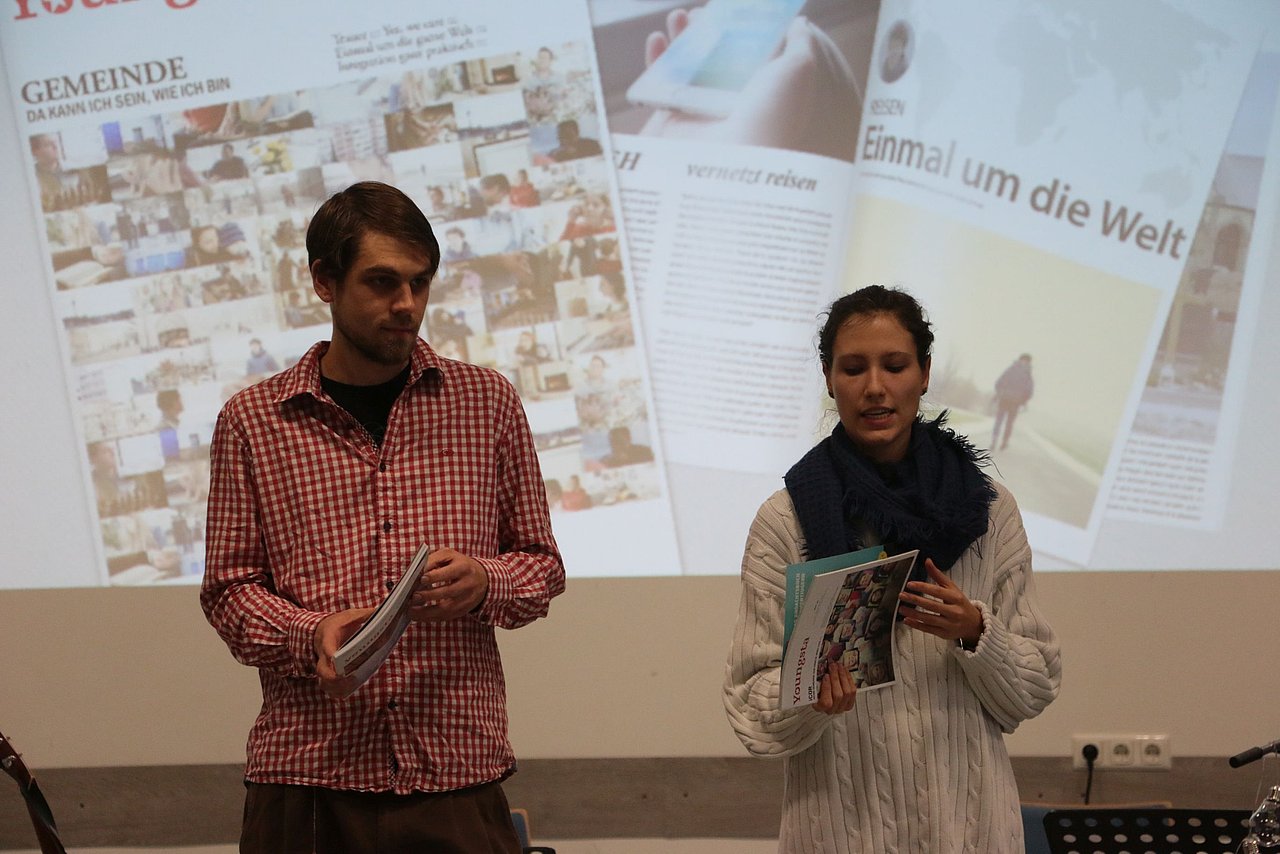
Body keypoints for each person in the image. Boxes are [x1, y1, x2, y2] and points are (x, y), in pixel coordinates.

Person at [200, 181, 565, 853]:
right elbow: (228, 592)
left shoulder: (486, 402)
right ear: (324, 281)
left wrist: (485, 581)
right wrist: (309, 634)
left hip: (454, 770)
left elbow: (542, 568)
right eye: (382, 282)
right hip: (309, 778)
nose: (407, 304)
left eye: (420, 283)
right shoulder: (254, 421)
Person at [723, 285, 1060, 853]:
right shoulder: (785, 521)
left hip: (971, 833)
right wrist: (808, 697)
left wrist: (976, 632)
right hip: (838, 833)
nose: (875, 387)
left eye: (895, 366)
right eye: (853, 368)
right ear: (829, 378)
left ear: (924, 374)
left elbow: (1034, 688)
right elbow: (750, 709)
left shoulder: (987, 510)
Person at [991, 353, 1034, 451]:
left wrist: (999, 393)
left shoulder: (1011, 369)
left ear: (1019, 360)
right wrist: (1024, 400)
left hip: (1004, 398)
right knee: (1009, 423)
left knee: (999, 420)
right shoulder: (1028, 374)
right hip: (1016, 402)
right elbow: (1029, 390)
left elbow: (999, 382)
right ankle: (1004, 441)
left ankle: (994, 438)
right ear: (1029, 362)